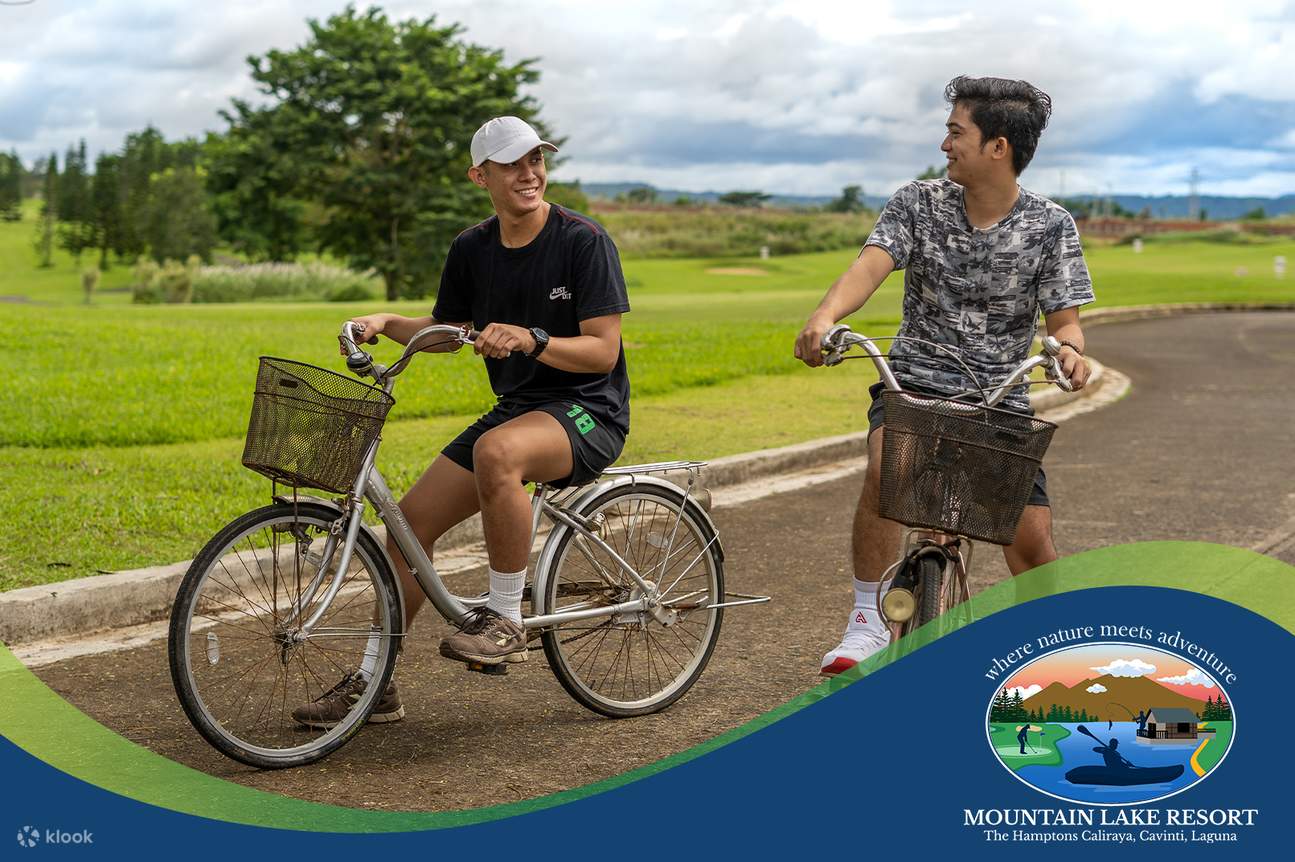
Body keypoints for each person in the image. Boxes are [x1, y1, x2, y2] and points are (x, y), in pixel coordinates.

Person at [293, 116, 632, 728]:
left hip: (590, 408)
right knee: (407, 529)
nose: (529, 173)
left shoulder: (583, 241)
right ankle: (374, 683)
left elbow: (603, 352)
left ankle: (505, 620)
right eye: (511, 164)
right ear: (481, 176)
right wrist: (383, 321)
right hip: (519, 411)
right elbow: (444, 334)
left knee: (497, 455)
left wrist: (532, 339)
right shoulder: (471, 249)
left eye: (536, 159)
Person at [795, 76, 1095, 676]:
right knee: (886, 467)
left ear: (997, 148)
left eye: (957, 132)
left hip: (1000, 402)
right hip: (914, 385)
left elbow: (1065, 322)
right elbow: (868, 267)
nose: (944, 144)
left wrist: (1068, 353)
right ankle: (866, 623)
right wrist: (826, 317)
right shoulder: (917, 204)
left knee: (1031, 545)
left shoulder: (1051, 225)